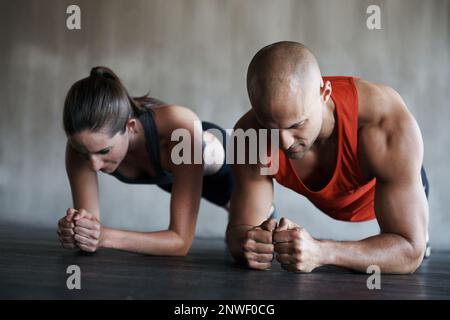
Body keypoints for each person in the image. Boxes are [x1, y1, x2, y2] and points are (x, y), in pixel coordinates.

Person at [227, 41, 430, 274]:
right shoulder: (250, 135)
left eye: (296, 124)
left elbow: (409, 251)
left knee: (418, 244)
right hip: (342, 194)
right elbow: (239, 232)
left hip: (384, 193)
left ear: (324, 94)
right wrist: (252, 243)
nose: (284, 143)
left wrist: (322, 252)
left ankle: (420, 218)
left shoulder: (383, 124)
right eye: (269, 126)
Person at [57, 66, 234, 256]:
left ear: (130, 126)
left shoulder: (178, 127)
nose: (94, 165)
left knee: (238, 243)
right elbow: (91, 228)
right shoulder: (82, 147)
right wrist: (77, 230)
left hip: (228, 160)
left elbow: (180, 242)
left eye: (105, 151)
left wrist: (105, 237)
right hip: (171, 177)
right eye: (84, 153)